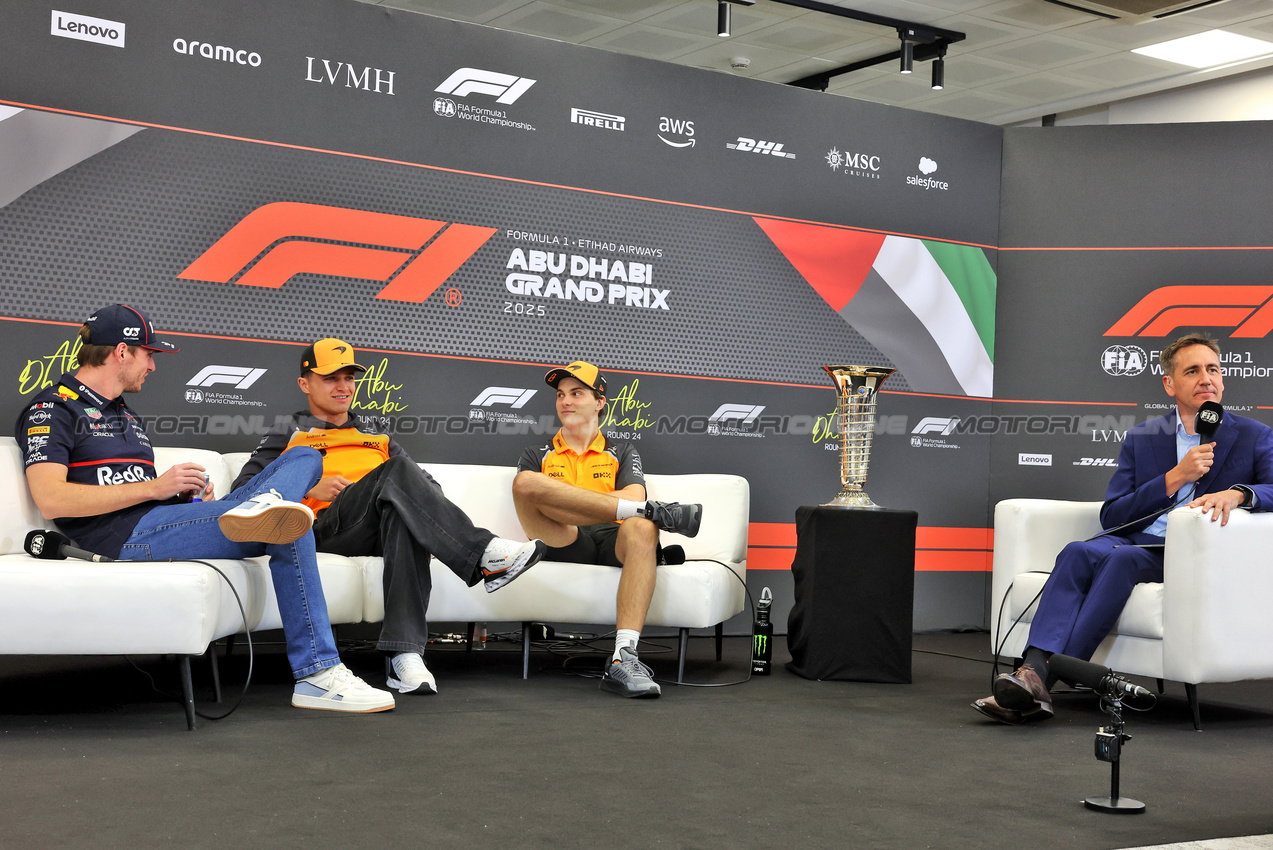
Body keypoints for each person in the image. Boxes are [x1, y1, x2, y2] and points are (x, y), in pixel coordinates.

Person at [18, 305, 394, 713]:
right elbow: (52, 498)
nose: (153, 365)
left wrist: (185, 497)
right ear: (121, 352)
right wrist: (157, 487)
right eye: (149, 354)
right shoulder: (53, 409)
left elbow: (138, 490)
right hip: (119, 538)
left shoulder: (124, 414)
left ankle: (259, 508)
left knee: (304, 456)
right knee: (289, 525)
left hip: (156, 521)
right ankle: (318, 674)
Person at [974, 333, 1273, 724]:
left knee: (1123, 562)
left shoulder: (1253, 435)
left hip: (1191, 554)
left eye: (1213, 369)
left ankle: (1038, 676)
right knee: (1078, 550)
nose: (1207, 379)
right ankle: (1033, 675)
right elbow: (1113, 515)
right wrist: (1173, 478)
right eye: (1193, 370)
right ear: (1169, 384)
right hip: (1137, 539)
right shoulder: (1143, 438)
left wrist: (1239, 494)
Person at [230, 338, 546, 696]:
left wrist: (429, 523)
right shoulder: (288, 432)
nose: (344, 387)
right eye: (332, 378)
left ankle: (405, 656)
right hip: (320, 528)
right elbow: (243, 492)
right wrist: (309, 487)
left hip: (374, 526)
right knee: (394, 473)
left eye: (349, 377)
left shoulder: (377, 434)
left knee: (403, 515)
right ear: (305, 383)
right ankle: (484, 555)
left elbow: (428, 486)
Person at [511, 360, 703, 698]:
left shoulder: (621, 450)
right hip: (563, 537)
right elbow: (533, 501)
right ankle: (657, 514)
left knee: (643, 527)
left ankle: (623, 657)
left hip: (613, 539)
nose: (565, 401)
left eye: (577, 393)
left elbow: (633, 496)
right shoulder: (537, 453)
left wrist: (566, 503)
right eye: (560, 395)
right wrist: (600, 505)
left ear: (600, 402)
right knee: (526, 483)